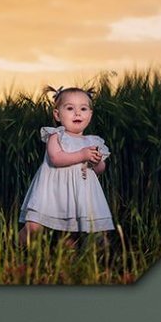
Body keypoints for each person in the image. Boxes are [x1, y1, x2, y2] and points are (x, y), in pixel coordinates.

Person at [20, 87, 115, 242]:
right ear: (57, 114)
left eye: (83, 109)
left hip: (78, 193)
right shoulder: (56, 136)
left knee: (71, 233)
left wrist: (96, 162)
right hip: (51, 191)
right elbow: (56, 159)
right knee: (34, 227)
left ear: (90, 115)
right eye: (70, 108)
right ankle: (13, 249)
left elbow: (99, 170)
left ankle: (66, 262)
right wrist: (82, 155)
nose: (77, 113)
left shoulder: (94, 141)